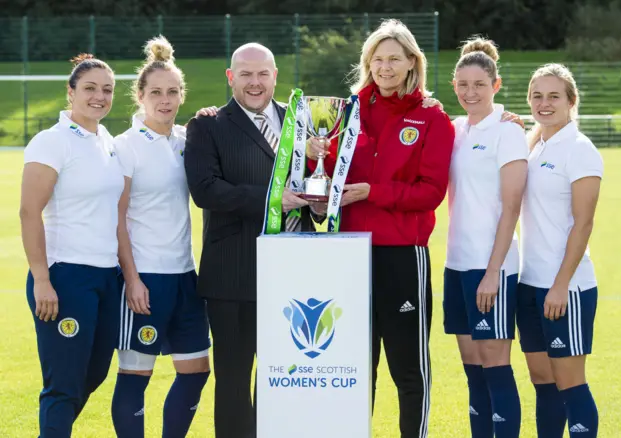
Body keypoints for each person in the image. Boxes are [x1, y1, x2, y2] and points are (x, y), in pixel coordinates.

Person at [307, 19, 455, 438]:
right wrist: (317, 156)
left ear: (412, 62)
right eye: (378, 58)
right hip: (348, 251)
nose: (385, 67)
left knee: (408, 367)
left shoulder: (431, 117)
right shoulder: (346, 111)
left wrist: (372, 192)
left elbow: (430, 192)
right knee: (355, 366)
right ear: (367, 61)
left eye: (394, 58)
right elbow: (330, 179)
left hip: (402, 254)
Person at [183, 42, 318, 438]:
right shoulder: (207, 125)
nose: (255, 82)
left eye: (263, 74)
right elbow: (206, 190)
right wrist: (272, 199)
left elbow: (313, 182)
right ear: (231, 77)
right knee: (233, 382)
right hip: (234, 275)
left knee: (284, 379)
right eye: (245, 74)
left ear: (275, 76)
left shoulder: (300, 122)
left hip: (295, 275)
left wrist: (321, 204)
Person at [109, 36, 211, 438]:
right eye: (156, 93)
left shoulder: (189, 140)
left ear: (181, 95)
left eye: (172, 92)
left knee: (196, 372)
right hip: (144, 278)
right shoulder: (125, 147)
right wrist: (132, 279)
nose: (165, 100)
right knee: (136, 375)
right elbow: (116, 219)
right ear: (140, 96)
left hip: (186, 276)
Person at [20, 54, 123, 437]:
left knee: (93, 373)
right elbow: (30, 212)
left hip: (106, 278)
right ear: (71, 92)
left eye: (107, 89)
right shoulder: (52, 141)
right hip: (65, 277)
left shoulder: (108, 143)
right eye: (90, 88)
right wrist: (42, 280)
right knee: (63, 385)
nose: (99, 96)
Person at [442, 37, 528, 438]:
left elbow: (511, 207)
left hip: (491, 266)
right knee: (472, 367)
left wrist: (493, 272)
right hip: (455, 263)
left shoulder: (507, 132)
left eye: (479, 85)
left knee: (495, 363)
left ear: (496, 85)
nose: (469, 93)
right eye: (462, 84)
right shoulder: (454, 129)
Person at [517, 63, 602, 438]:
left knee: (570, 382)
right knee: (542, 379)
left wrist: (560, 284)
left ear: (571, 102)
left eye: (554, 96)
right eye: (537, 95)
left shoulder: (580, 149)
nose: (544, 103)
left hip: (565, 287)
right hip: (529, 283)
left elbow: (583, 224)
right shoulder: (535, 146)